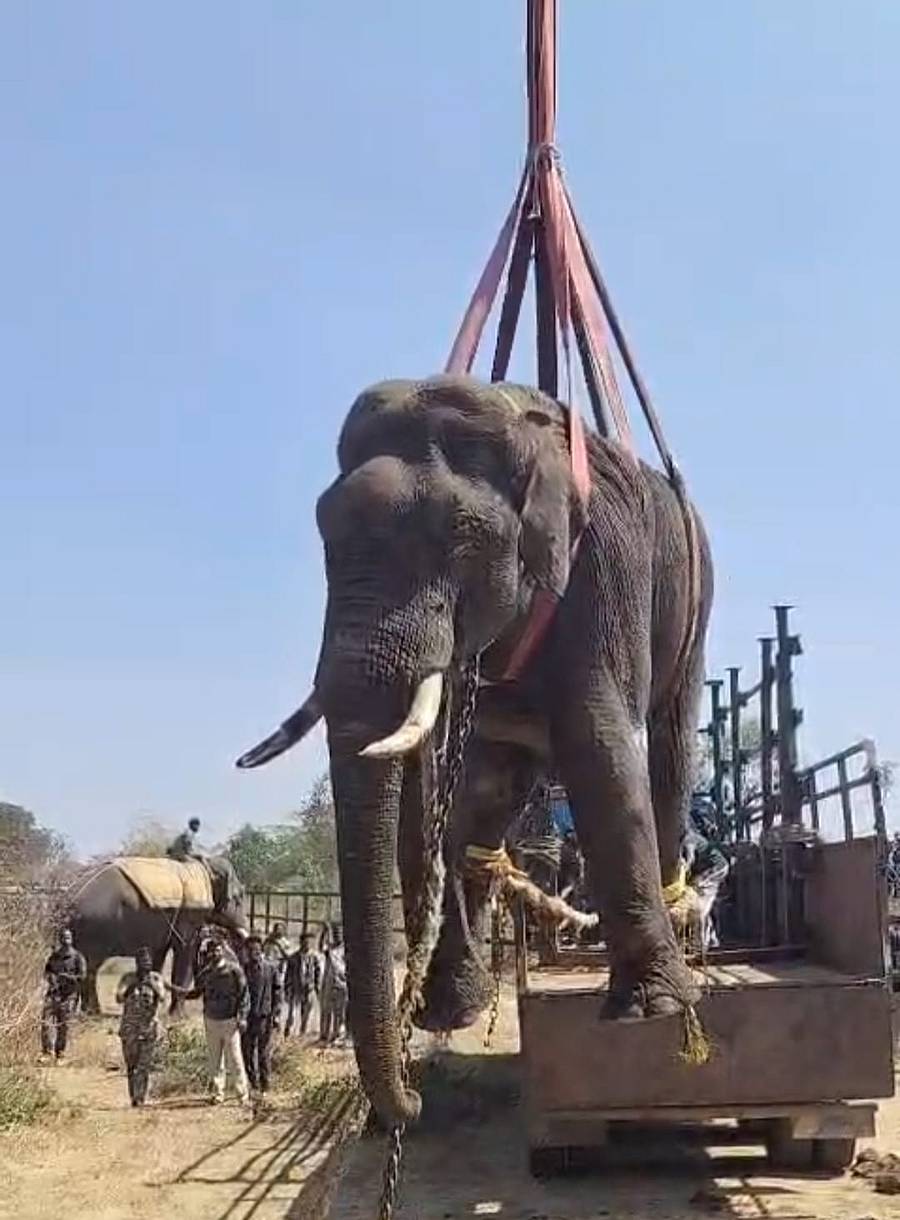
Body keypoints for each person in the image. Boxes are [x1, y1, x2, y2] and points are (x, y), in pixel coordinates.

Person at [174, 939, 250, 1104]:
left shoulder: (235, 970)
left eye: (218, 950)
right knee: (215, 1061)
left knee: (235, 1060)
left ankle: (242, 1094)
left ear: (223, 950)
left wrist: (242, 1017)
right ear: (208, 953)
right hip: (211, 1020)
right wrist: (174, 990)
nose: (215, 953)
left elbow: (244, 995)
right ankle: (218, 1094)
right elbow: (196, 993)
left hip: (230, 1020)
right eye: (212, 951)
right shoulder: (206, 972)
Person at [115, 947, 166, 1107]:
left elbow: (163, 997)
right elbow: (119, 997)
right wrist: (132, 986)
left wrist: (152, 984)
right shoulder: (128, 978)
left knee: (144, 1066)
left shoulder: (156, 978)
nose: (145, 964)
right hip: (129, 1029)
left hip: (148, 1028)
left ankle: (140, 1098)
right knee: (132, 1065)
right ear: (136, 963)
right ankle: (133, 1096)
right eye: (142, 961)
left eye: (148, 961)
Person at [241, 935, 283, 1094]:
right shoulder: (243, 970)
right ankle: (253, 1084)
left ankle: (265, 1086)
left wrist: (277, 1014)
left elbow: (278, 993)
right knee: (247, 1052)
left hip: (265, 1017)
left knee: (264, 1053)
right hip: (247, 1018)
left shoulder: (271, 969)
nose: (254, 953)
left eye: (257, 949)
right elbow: (238, 994)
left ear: (261, 950)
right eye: (250, 950)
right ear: (246, 951)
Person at [41, 929, 86, 1063]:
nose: (65, 940)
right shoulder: (54, 957)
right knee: (46, 1022)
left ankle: (60, 1053)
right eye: (63, 937)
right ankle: (47, 1053)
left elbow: (82, 977)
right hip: (53, 994)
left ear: (71, 939)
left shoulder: (78, 957)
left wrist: (68, 978)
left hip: (69, 996)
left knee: (64, 1026)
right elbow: (47, 971)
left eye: (68, 937)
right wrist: (51, 979)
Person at [285, 934, 322, 1036]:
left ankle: (302, 1034)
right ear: (301, 943)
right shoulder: (293, 957)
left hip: (309, 989)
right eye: (305, 942)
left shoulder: (314, 957)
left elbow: (318, 973)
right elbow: (288, 975)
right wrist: (287, 988)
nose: (307, 945)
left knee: (306, 1014)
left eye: (309, 943)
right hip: (296, 989)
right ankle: (288, 1033)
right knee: (293, 1014)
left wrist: (316, 987)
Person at [318, 924, 348, 1045]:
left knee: (339, 1012)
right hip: (329, 982)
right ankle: (324, 1035)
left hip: (341, 982)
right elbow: (320, 947)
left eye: (339, 933)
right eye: (335, 934)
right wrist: (324, 932)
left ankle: (337, 1035)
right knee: (326, 1009)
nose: (337, 936)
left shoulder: (346, 949)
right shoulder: (329, 949)